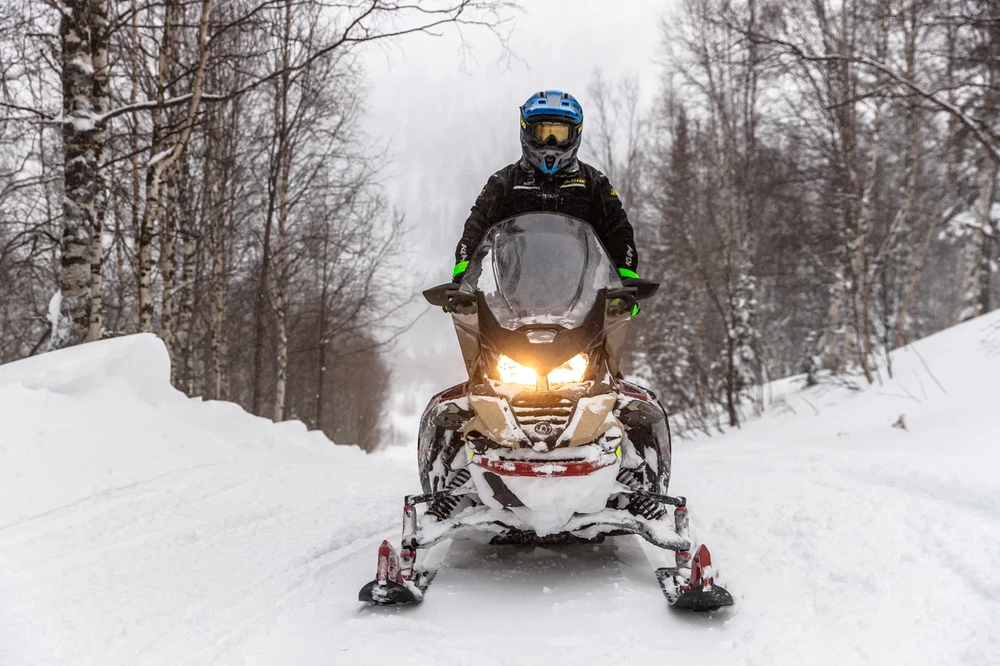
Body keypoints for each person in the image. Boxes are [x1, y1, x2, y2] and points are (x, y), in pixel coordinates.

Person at [452, 90, 640, 288]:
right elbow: (475, 228)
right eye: (543, 132)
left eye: (560, 134)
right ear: (527, 131)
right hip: (510, 303)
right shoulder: (504, 183)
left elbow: (619, 230)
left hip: (581, 304)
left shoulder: (593, 183)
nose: (551, 142)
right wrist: (463, 281)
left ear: (575, 133)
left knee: (617, 316)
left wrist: (626, 281)